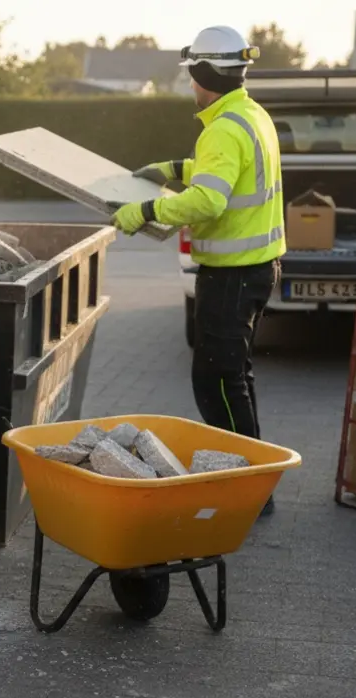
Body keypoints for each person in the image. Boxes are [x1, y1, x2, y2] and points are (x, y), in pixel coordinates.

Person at [113, 25, 284, 515]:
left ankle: (246, 489)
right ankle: (253, 482)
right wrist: (171, 167)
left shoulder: (223, 129)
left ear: (206, 72)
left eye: (192, 74)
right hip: (255, 268)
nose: (191, 83)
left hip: (231, 276)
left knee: (215, 381)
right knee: (235, 377)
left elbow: (210, 199)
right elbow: (221, 170)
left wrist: (144, 211)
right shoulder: (250, 115)